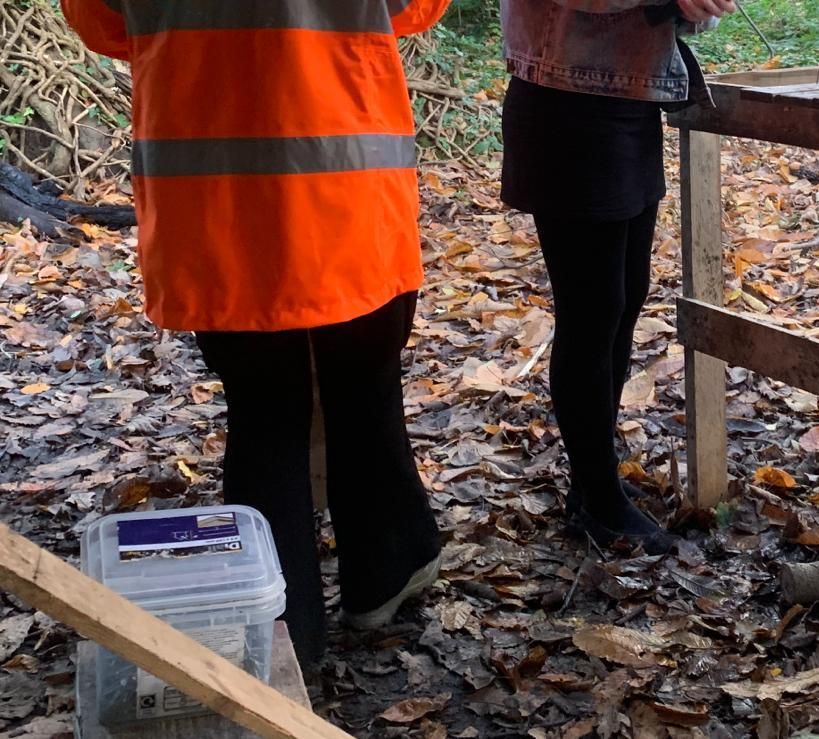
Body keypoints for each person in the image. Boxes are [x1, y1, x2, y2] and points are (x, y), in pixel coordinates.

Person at [62, 0, 452, 664]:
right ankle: (383, 572)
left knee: (263, 412)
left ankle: (281, 635)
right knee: (364, 385)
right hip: (345, 173)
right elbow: (416, 8)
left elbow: (101, 23)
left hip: (211, 191)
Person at [500, 0, 732, 554]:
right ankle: (598, 498)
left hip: (631, 100)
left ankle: (594, 483)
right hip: (565, 103)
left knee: (625, 297)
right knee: (592, 309)